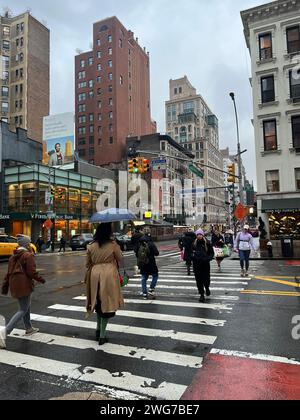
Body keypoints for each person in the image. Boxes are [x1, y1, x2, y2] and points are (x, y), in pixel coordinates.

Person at [0, 235, 46, 349]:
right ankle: (4, 333)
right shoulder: (27, 255)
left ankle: (29, 328)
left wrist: (5, 286)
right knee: (22, 309)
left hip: (15, 284)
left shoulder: (13, 256)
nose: (30, 244)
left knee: (26, 306)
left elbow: (8, 273)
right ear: (26, 244)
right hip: (24, 285)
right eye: (29, 243)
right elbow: (32, 272)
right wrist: (41, 279)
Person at [85, 223, 124, 346]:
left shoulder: (91, 246)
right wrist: (117, 246)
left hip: (94, 274)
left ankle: (97, 329)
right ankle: (102, 335)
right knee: (106, 304)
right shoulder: (113, 245)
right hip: (109, 275)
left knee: (97, 302)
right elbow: (120, 258)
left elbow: (87, 263)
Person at [192, 229, 214, 303]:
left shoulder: (207, 243)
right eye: (198, 235)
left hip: (205, 264)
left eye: (200, 234)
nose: (199, 236)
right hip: (196, 265)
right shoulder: (194, 243)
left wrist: (207, 259)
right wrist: (193, 258)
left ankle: (207, 288)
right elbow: (190, 253)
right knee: (198, 280)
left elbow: (211, 253)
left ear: (202, 235)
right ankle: (201, 294)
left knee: (206, 279)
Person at [137, 234, 159, 300]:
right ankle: (151, 289)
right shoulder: (151, 244)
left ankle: (144, 293)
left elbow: (136, 254)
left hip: (143, 264)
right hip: (151, 263)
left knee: (144, 278)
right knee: (155, 275)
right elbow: (157, 253)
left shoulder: (139, 245)